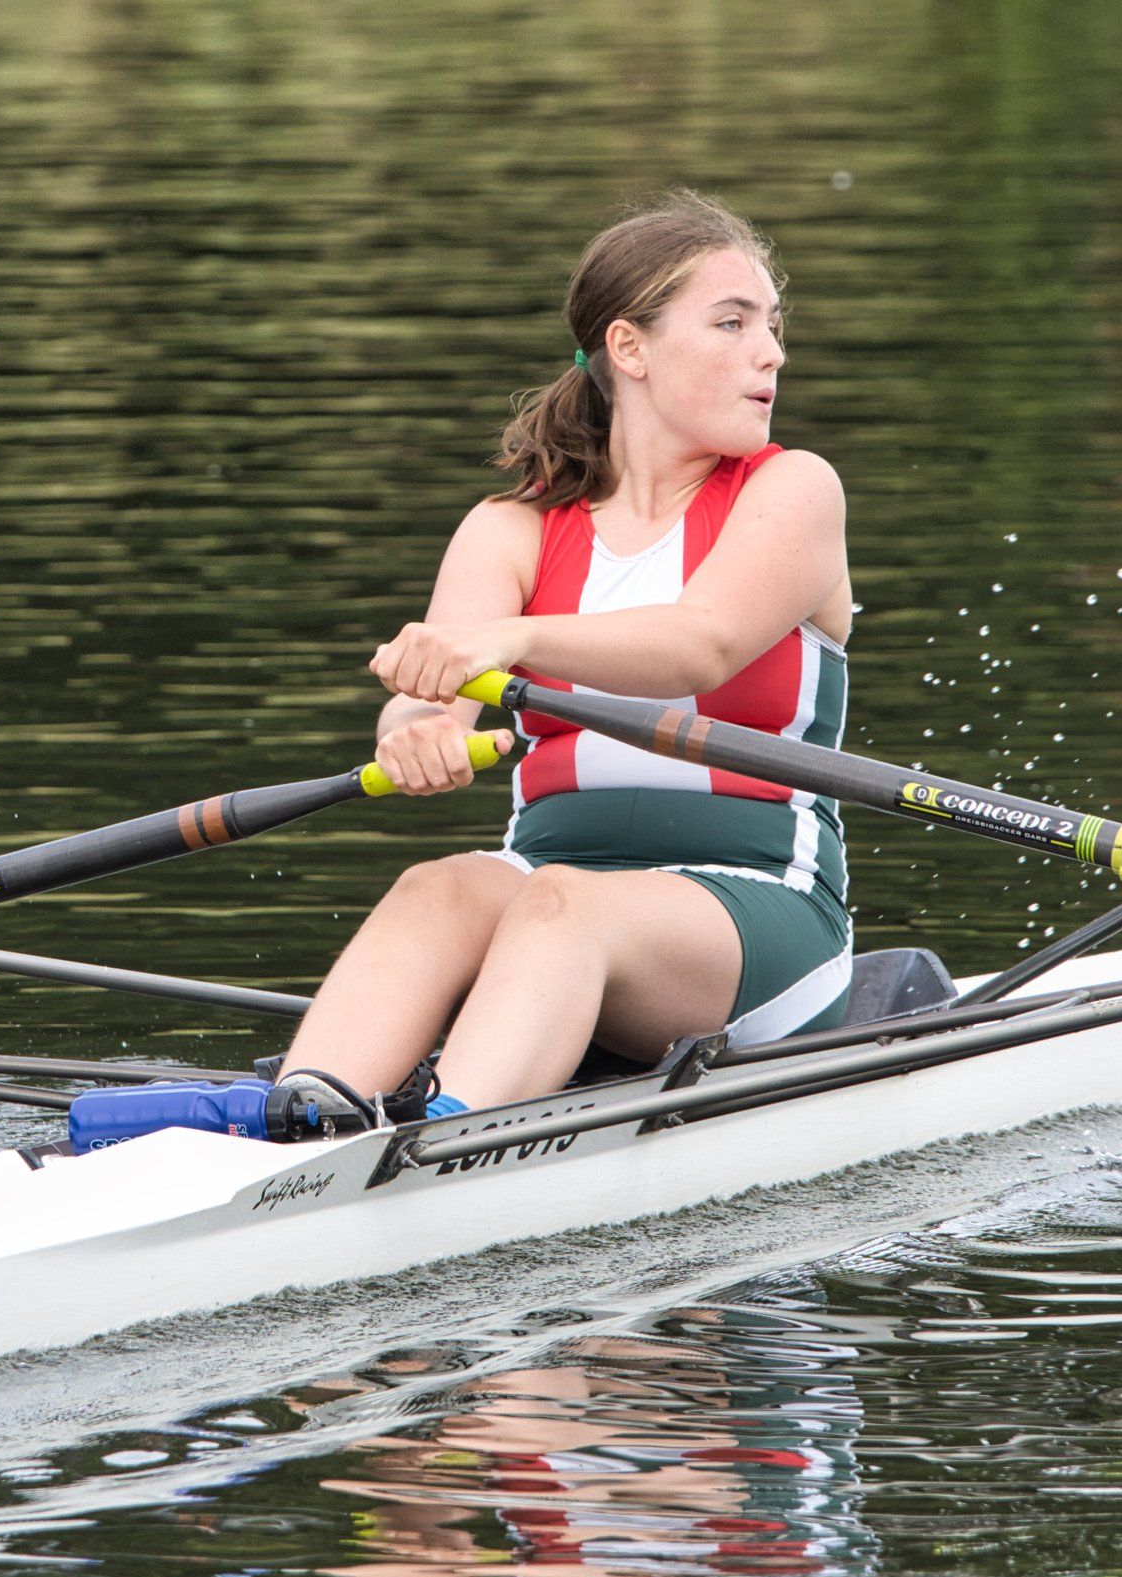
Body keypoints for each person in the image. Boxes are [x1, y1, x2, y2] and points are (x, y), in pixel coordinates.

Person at [279, 189, 854, 1122]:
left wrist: (516, 640)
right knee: (437, 888)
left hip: (758, 911)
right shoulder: (511, 528)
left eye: (773, 327)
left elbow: (699, 647)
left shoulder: (792, 491)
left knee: (561, 906)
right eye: (733, 323)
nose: (772, 353)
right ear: (630, 349)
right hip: (550, 887)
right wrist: (414, 731)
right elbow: (439, 695)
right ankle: (300, 1125)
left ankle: (443, 1141)